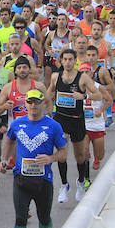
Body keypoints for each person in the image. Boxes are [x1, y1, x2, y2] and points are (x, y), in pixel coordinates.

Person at [1, 89, 68, 228]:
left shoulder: (53, 126)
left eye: (36, 102)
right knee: (20, 218)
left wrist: (51, 158)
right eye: (29, 102)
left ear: (43, 104)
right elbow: (9, 140)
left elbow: (64, 152)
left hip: (43, 180)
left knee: (44, 218)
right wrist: (4, 160)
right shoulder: (17, 124)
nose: (33, 105)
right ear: (26, 104)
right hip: (21, 179)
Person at [46, 49, 101, 203]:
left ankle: (81, 182)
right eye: (65, 59)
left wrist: (84, 96)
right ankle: (64, 185)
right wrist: (50, 109)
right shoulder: (56, 77)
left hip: (77, 120)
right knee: (62, 154)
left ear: (75, 60)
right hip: (61, 119)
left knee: (80, 156)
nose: (68, 62)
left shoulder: (82, 78)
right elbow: (49, 94)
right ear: (61, 61)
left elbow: (98, 95)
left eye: (71, 59)